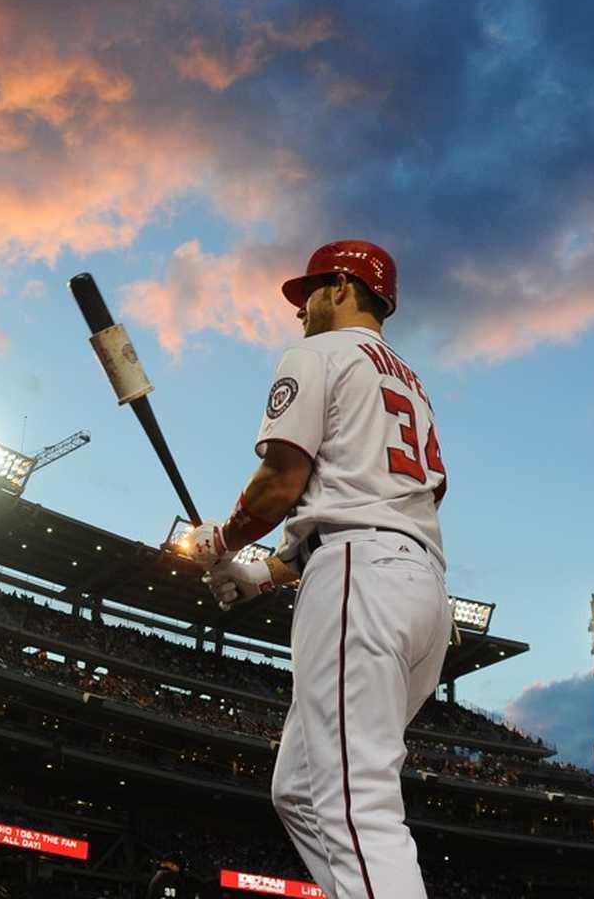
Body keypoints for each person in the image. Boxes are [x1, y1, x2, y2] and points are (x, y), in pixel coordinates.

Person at [178, 240, 450, 899]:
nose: (300, 311)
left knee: (353, 804)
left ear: (344, 287)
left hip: (361, 577)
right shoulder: (409, 380)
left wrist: (223, 536)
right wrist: (258, 574)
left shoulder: (318, 353)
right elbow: (358, 498)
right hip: (418, 589)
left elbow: (282, 480)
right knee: (299, 790)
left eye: (311, 294)